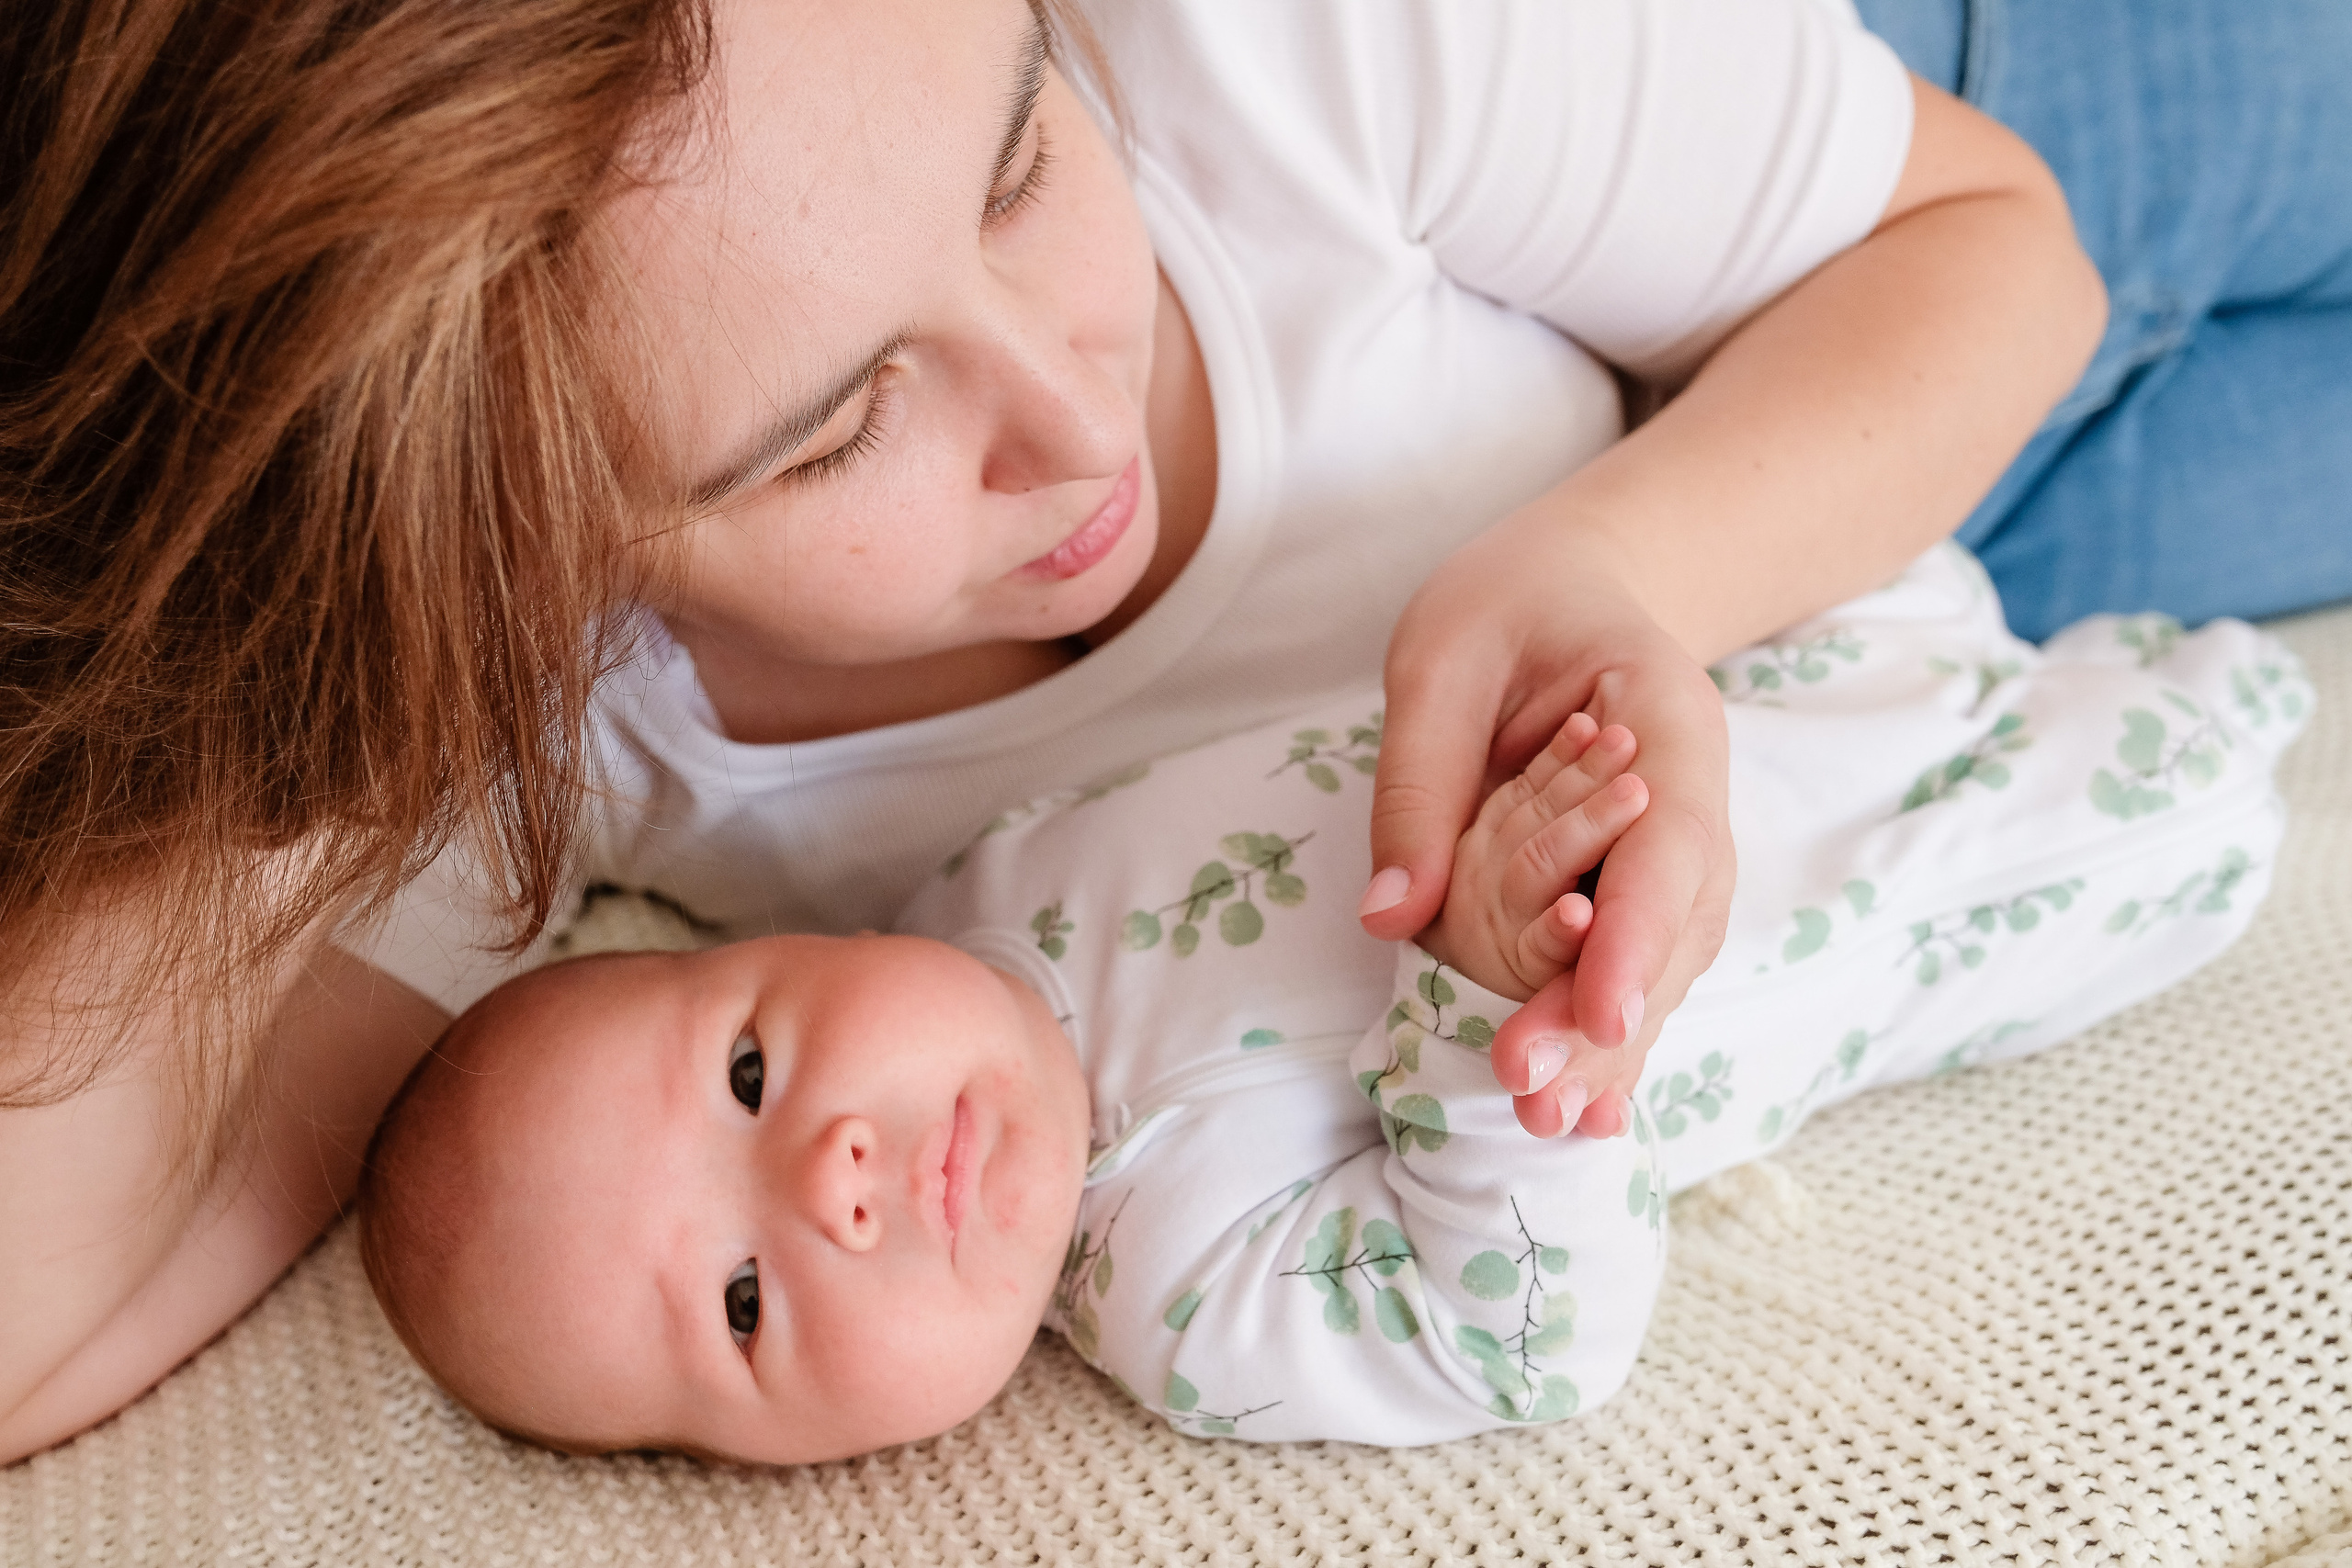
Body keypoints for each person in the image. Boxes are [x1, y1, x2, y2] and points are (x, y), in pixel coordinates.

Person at [7, 0, 2346, 1462]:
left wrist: (1622, 576)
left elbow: (1988, 245)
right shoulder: (553, 708)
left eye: (1017, 159)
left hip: (1910, 206)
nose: (1065, 406)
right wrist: (222, 641)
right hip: (1986, 610)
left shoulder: (1265, 47)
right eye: (825, 440)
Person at [356, 550, 2307, 1461]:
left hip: (1762, 624)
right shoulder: (1188, 1305)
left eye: (756, 1069)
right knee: (2198, 776)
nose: (837, 1176)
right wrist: (1470, 991)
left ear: (768, 959)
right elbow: (1519, 1337)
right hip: (1935, 872)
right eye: (747, 1302)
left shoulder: (967, 882)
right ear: (786, 1467)